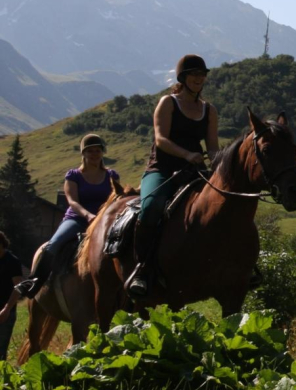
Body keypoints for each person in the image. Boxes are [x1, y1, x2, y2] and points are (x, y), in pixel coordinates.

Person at [127, 54, 219, 296]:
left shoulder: (209, 110)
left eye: (202, 75)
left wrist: (220, 163)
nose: (200, 79)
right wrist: (187, 154)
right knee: (151, 207)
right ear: (183, 77)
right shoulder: (167, 103)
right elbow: (161, 139)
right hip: (162, 169)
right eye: (194, 74)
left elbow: (212, 147)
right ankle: (142, 270)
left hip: (194, 172)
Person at [11, 134, 120, 300]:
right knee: (53, 244)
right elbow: (73, 202)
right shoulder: (73, 175)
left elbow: (116, 199)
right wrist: (88, 215)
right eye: (90, 151)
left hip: (104, 222)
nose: (94, 154)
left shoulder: (112, 176)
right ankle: (34, 282)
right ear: (83, 153)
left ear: (102, 153)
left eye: (98, 150)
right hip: (77, 219)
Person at [0, 232, 23, 361]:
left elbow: (18, 288)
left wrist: (6, 309)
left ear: (2, 244)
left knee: (0, 351)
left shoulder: (12, 261)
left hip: (4, 313)